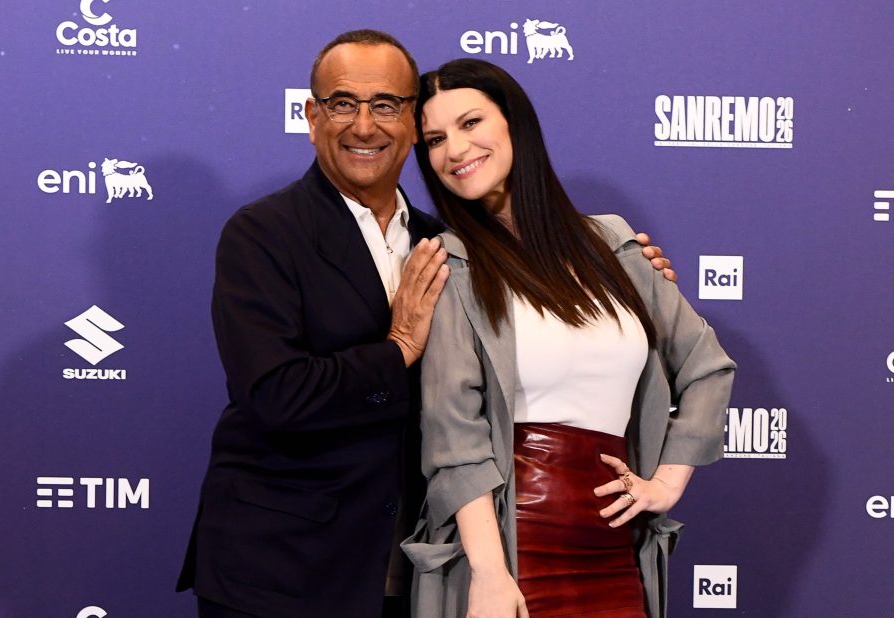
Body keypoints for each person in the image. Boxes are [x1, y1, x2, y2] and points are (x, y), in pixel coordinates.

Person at [177, 32, 676, 618]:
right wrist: (399, 348)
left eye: (386, 105)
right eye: (343, 104)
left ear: (412, 124)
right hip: (281, 572)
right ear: (312, 117)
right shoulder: (263, 233)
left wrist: (622, 273)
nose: (364, 125)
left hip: (409, 571)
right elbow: (275, 396)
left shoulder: (446, 245)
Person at [401, 59, 736, 618]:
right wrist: (489, 573)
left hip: (615, 549)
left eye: (471, 122)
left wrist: (665, 484)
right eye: (435, 139)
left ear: (515, 123)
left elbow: (708, 368)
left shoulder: (615, 245)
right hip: (511, 549)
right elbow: (453, 434)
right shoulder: (452, 264)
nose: (454, 150)